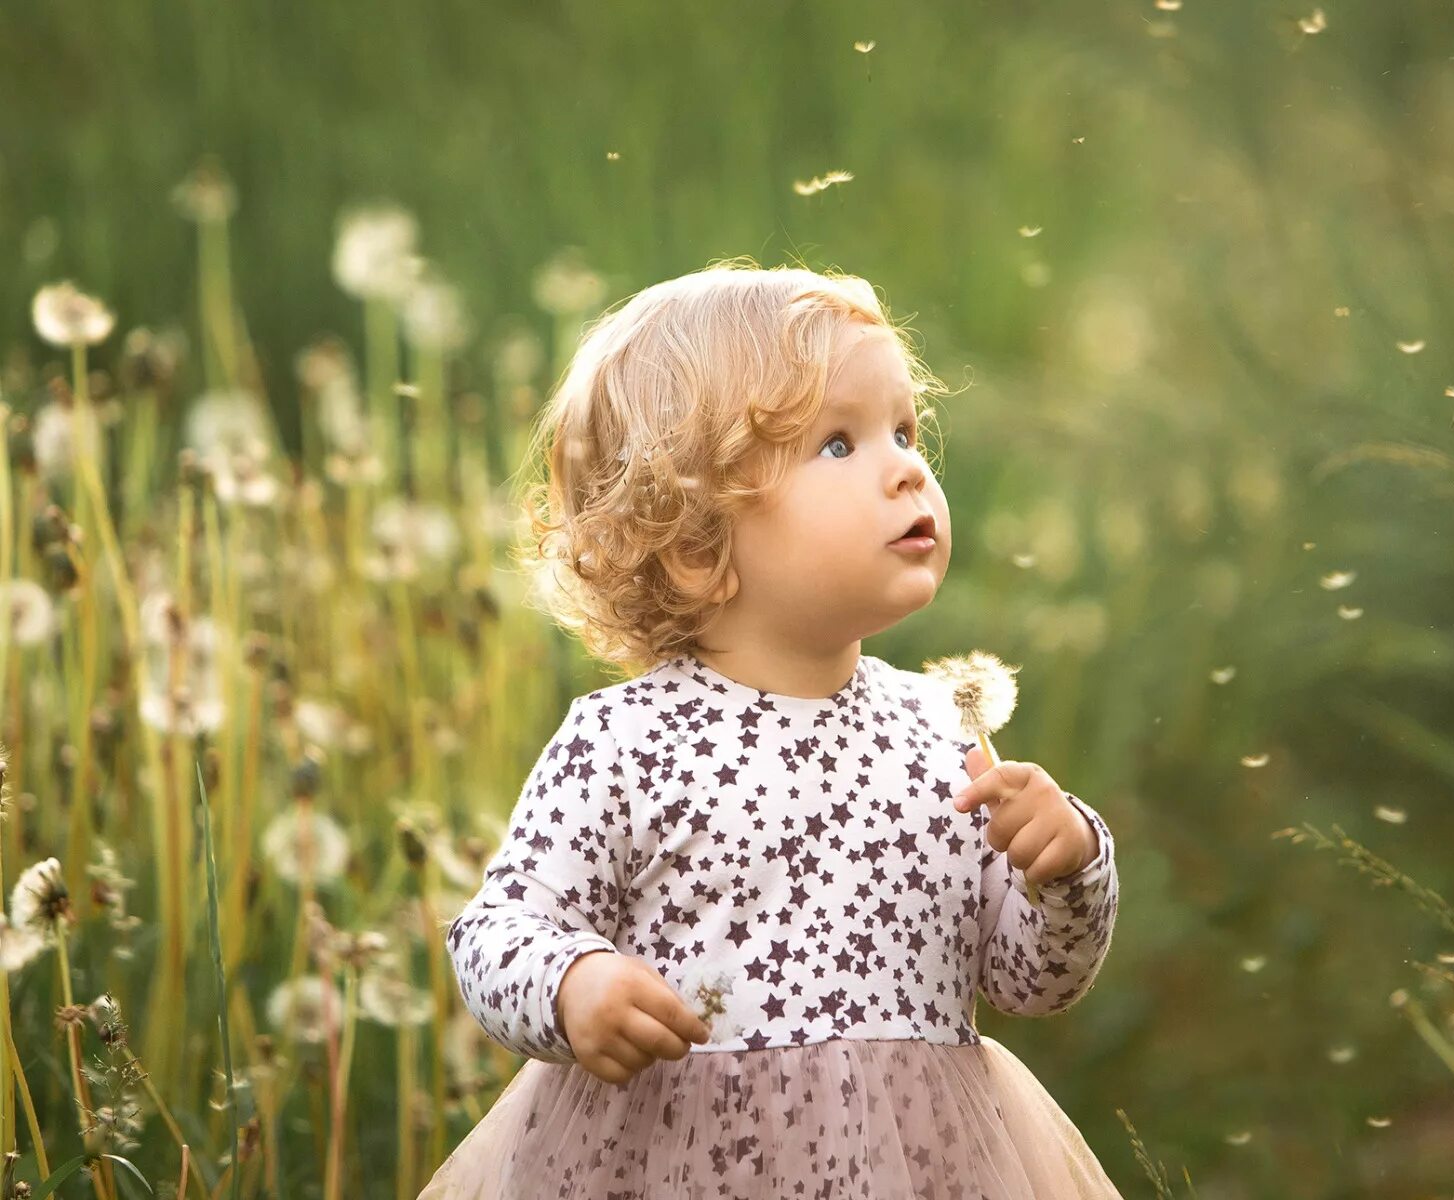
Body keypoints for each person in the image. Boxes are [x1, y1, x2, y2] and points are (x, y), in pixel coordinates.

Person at [419, 258, 1124, 1197]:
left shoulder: (941, 730)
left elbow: (1033, 982)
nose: (908, 465)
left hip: (919, 1164)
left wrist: (1067, 864)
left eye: (906, 431)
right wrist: (573, 983)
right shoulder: (626, 739)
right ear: (696, 542)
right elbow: (498, 930)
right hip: (678, 1160)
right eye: (840, 444)